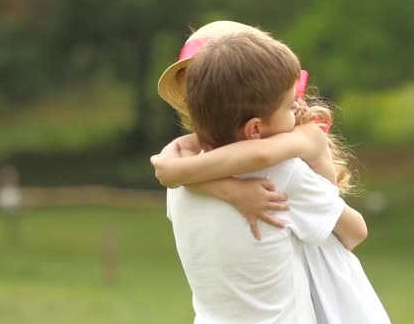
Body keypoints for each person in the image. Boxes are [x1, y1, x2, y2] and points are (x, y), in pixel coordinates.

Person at [153, 21, 390, 323]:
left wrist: (224, 189)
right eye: (289, 106)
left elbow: (172, 169)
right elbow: (354, 232)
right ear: (255, 125)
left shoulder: (184, 180)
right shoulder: (283, 173)